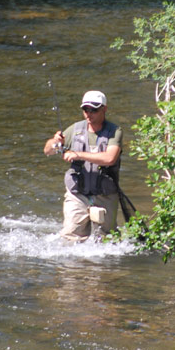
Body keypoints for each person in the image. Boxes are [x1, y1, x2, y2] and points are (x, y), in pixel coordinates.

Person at [43, 90, 122, 242]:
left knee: (108, 241)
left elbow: (110, 158)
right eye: (86, 109)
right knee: (70, 238)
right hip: (77, 193)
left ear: (104, 109)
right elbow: (47, 150)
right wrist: (55, 142)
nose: (89, 113)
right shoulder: (75, 129)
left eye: (94, 109)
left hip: (105, 194)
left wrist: (78, 154)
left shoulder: (115, 132)